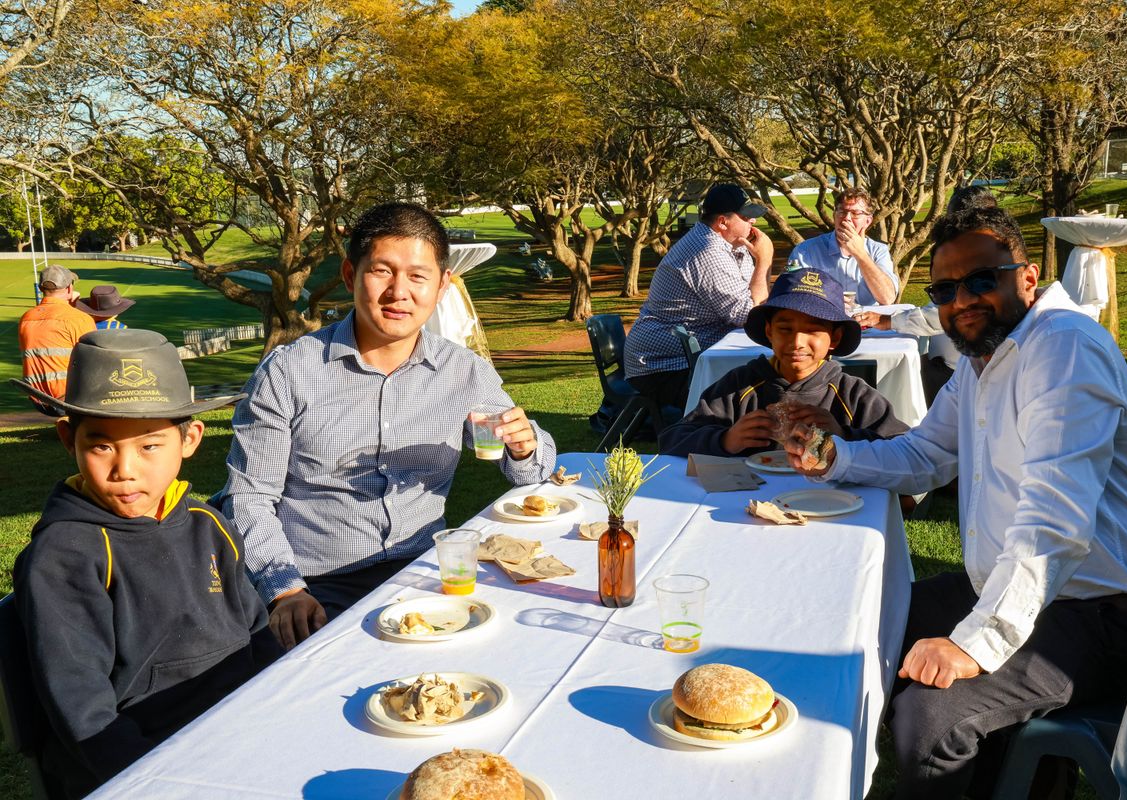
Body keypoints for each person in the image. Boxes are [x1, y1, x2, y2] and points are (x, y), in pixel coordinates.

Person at [786, 206, 1127, 798]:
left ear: (1028, 277)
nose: (961, 300)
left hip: (1101, 612)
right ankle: (1014, 774)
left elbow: (1054, 521)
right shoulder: (983, 359)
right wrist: (835, 458)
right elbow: (927, 454)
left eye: (981, 280)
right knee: (866, 616)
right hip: (1016, 587)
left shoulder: (1063, 347)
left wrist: (975, 643)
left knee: (930, 718)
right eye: (944, 290)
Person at [219, 202, 556, 650]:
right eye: (382, 271)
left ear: (442, 285)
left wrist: (524, 447)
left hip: (423, 571)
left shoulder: (464, 372)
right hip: (315, 585)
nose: (399, 292)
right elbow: (248, 497)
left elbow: (533, 473)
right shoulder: (287, 373)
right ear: (350, 275)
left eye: (418, 276)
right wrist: (285, 590)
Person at [9, 329, 279, 799]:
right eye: (101, 446)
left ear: (189, 438)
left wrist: (279, 706)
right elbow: (82, 707)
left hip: (240, 731)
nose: (125, 470)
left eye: (149, 446)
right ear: (68, 438)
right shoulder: (65, 556)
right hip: (150, 764)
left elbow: (257, 632)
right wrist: (155, 783)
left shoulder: (208, 523)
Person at [659, 268, 906, 456]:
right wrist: (725, 440)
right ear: (769, 332)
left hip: (832, 501)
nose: (797, 342)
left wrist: (843, 436)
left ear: (835, 338)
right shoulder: (739, 386)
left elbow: (903, 450)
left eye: (812, 330)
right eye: (785, 329)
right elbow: (672, 439)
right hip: (749, 502)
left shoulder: (851, 394)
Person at [623, 184, 773, 410]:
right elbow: (749, 315)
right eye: (746, 217)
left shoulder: (733, 246)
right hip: (662, 367)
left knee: (760, 377)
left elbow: (757, 299)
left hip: (686, 356)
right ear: (722, 222)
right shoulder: (707, 251)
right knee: (753, 391)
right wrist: (765, 259)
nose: (753, 221)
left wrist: (762, 261)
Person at [854, 186, 999, 406]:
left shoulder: (981, 258)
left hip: (957, 373)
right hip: (950, 366)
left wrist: (887, 321)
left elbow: (940, 315)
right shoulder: (982, 251)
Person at [786, 188, 898, 306]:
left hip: (866, 317)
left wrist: (860, 254)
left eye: (855, 213)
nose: (847, 218)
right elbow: (791, 293)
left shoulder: (878, 250)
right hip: (822, 315)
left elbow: (887, 298)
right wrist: (829, 298)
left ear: (867, 221)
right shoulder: (805, 251)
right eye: (842, 212)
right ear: (834, 215)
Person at [16, 264, 96, 414]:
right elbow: (93, 361)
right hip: (67, 400)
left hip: (38, 399)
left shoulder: (26, 318)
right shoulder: (79, 319)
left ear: (40, 289)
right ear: (69, 288)